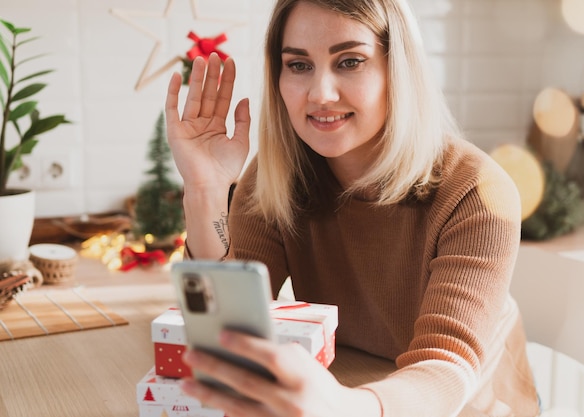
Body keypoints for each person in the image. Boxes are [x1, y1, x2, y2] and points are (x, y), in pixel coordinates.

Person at [164, 0, 540, 416]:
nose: (321, 94)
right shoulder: (275, 179)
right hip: (352, 390)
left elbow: (447, 369)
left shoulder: (475, 191)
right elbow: (227, 332)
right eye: (299, 65)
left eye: (350, 61)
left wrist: (346, 407)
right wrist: (205, 190)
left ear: (396, 71)